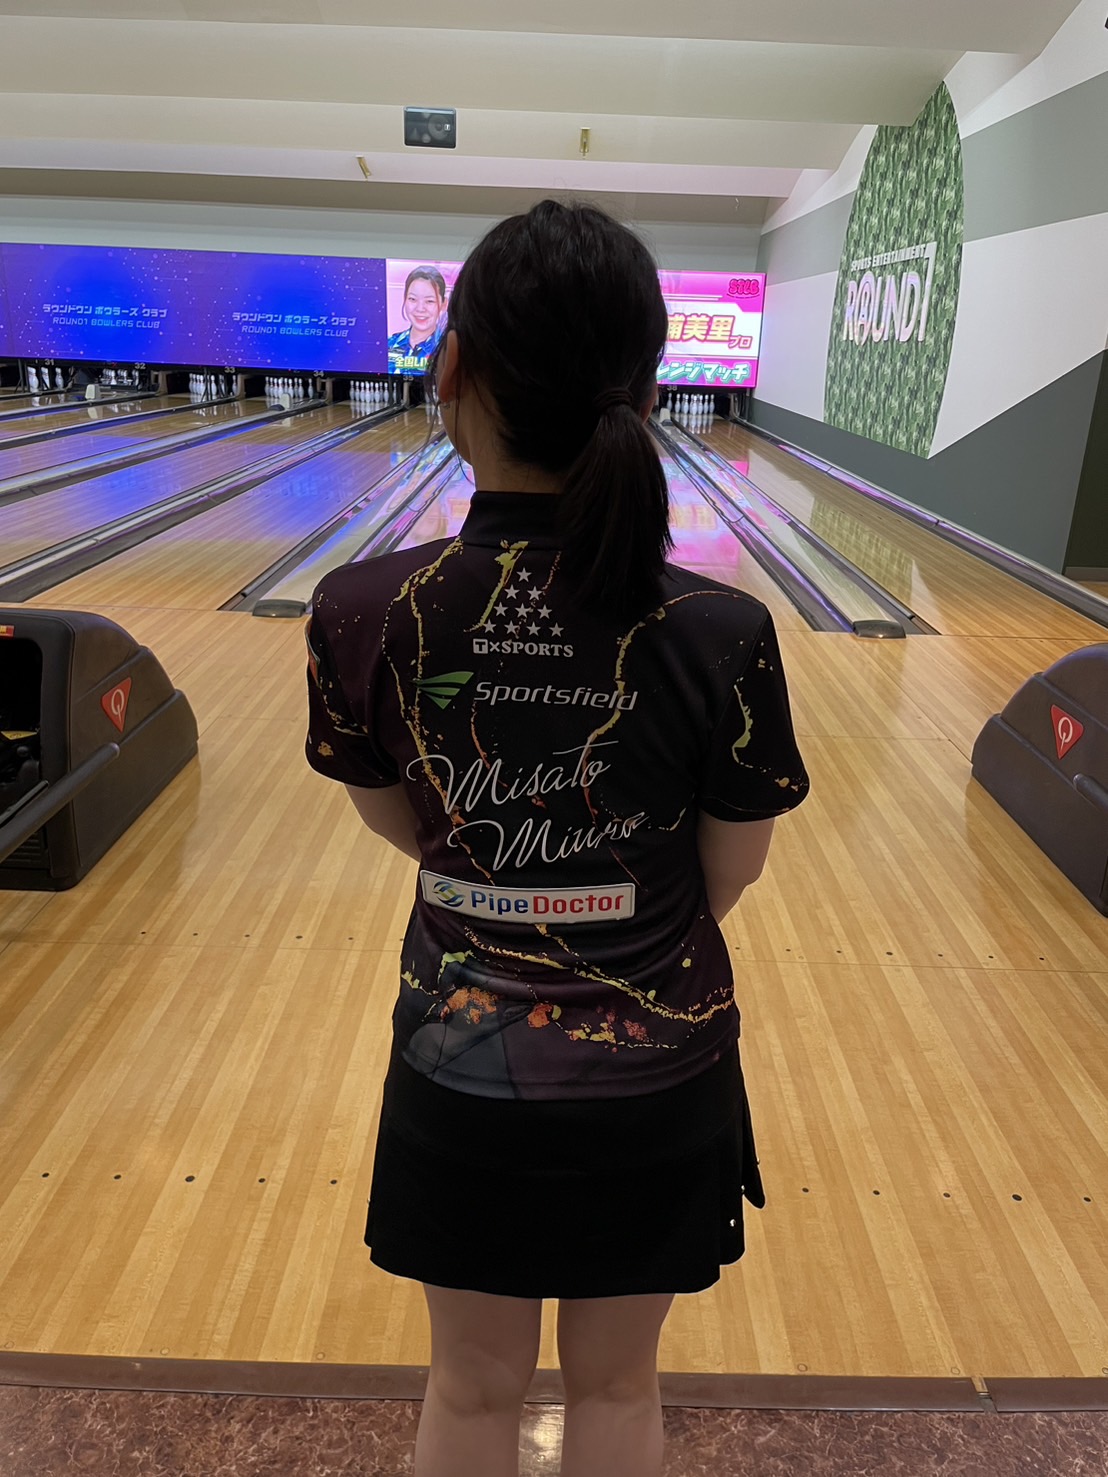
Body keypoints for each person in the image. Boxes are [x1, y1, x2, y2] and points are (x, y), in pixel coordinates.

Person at [305, 200, 809, 1477]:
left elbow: (402, 824)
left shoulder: (363, 609)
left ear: (451, 367)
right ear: (646, 388)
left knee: (470, 1388)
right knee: (620, 1386)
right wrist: (607, 920)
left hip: (457, 1065)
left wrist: (506, 894)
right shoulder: (720, 632)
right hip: (658, 1073)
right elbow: (729, 868)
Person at [387, 265, 448, 376]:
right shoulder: (389, 344)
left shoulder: (448, 348)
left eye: (429, 301)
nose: (420, 308)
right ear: (405, 300)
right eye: (413, 299)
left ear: (444, 304)